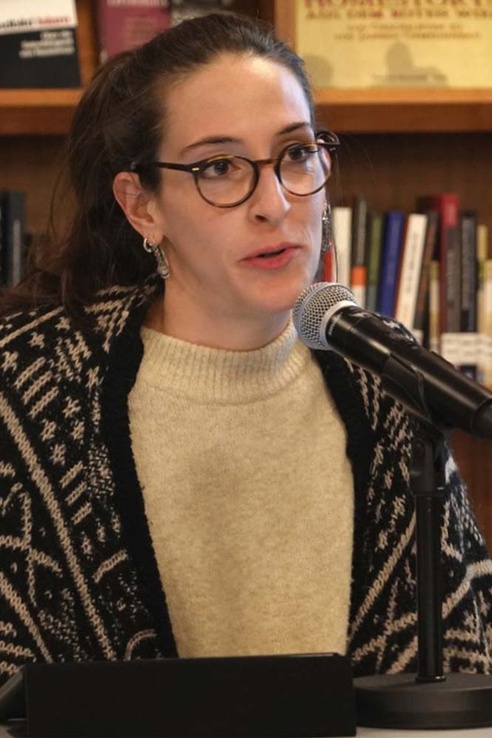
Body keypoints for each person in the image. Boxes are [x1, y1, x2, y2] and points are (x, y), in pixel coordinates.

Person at [0, 11, 491, 688]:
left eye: (295, 154)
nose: (275, 202)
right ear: (142, 206)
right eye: (221, 167)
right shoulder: (27, 389)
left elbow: (464, 672)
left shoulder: (384, 374)